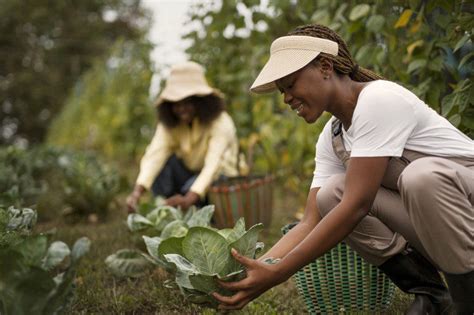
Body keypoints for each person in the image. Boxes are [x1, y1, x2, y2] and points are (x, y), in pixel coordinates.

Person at [213, 24, 474, 314]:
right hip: (446, 231)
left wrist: (281, 273)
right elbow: (310, 221)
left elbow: (357, 206)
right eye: (282, 91)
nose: (286, 98)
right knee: (330, 195)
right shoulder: (334, 135)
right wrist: (260, 269)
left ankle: (468, 303)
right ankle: (433, 296)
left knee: (419, 178)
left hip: (466, 210)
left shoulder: (379, 99)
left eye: (290, 84)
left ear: (325, 67)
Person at [126, 61, 242, 212]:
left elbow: (213, 165)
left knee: (194, 187)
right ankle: (171, 207)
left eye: (187, 103)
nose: (181, 109)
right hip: (189, 174)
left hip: (221, 178)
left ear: (200, 102)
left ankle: (196, 209)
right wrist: (137, 193)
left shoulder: (220, 122)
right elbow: (155, 154)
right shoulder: (171, 124)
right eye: (176, 104)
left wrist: (189, 197)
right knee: (163, 167)